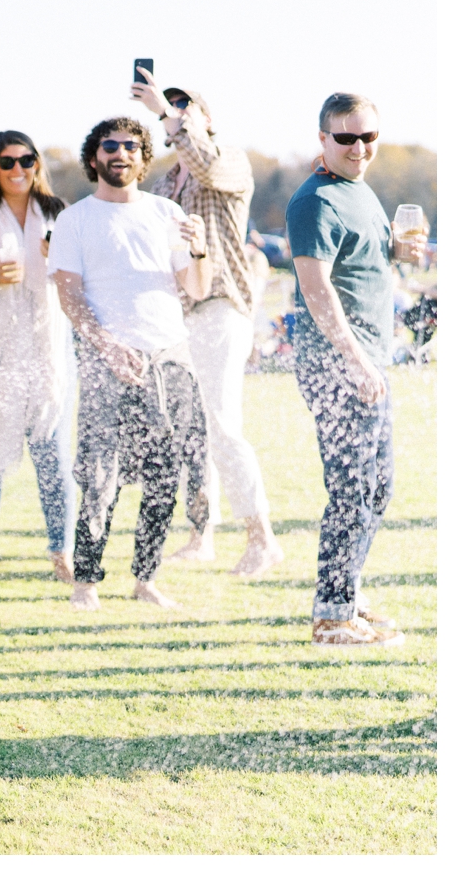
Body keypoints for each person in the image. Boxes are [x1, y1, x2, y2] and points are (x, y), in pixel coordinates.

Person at [49, 117, 212, 611]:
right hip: (106, 360)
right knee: (99, 474)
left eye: (130, 147)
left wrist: (201, 246)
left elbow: (198, 288)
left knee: (166, 474)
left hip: (169, 359)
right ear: (94, 157)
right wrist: (106, 345)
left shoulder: (168, 213)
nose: (120, 154)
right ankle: (86, 584)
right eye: (109, 146)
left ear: (144, 160)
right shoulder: (76, 219)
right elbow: (69, 295)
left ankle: (146, 579)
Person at [134, 71, 284, 576]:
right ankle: (203, 534)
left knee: (221, 423)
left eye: (184, 106)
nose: (173, 110)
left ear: (206, 118)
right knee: (190, 432)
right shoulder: (162, 182)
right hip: (178, 315)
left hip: (223, 305)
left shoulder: (228, 161)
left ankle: (262, 538)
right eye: (169, 106)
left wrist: (164, 114)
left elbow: (208, 166)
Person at [287, 93, 417, 647]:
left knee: (378, 484)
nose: (359, 148)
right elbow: (316, 290)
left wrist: (404, 255)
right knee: (353, 487)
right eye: (346, 138)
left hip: (367, 361)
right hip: (338, 364)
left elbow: (368, 264)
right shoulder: (314, 201)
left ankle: (349, 592)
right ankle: (332, 616)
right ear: (323, 139)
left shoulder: (358, 192)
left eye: (369, 137)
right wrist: (355, 359)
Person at [0, 130, 77, 582]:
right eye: (7, 162)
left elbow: (79, 281)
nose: (18, 169)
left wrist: (56, 260)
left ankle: (63, 552)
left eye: (26, 160)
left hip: (48, 342)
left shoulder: (61, 214)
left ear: (37, 164)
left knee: (53, 452)